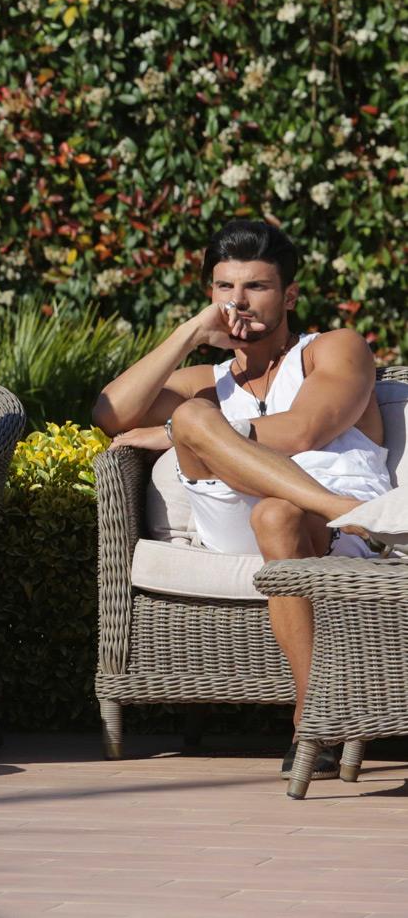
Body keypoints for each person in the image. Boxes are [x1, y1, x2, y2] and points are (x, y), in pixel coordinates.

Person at [92, 219, 391, 778]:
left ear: (290, 295)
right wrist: (189, 335)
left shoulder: (333, 349)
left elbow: (303, 430)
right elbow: (110, 413)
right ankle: (347, 514)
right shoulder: (207, 380)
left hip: (326, 528)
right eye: (224, 287)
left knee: (274, 509)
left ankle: (311, 719)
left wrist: (190, 434)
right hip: (285, 517)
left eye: (256, 286)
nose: (239, 302)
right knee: (191, 414)